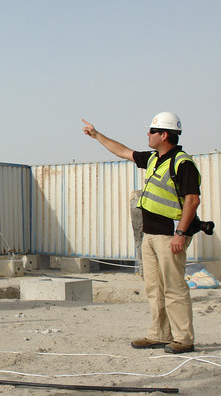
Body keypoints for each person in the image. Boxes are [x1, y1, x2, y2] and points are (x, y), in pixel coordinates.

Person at [81, 112, 201, 354]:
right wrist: (96, 136)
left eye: (152, 131)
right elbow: (123, 151)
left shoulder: (182, 163)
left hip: (170, 236)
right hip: (151, 235)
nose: (148, 134)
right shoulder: (156, 159)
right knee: (154, 288)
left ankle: (184, 338)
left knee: (174, 287)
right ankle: (160, 334)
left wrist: (180, 233)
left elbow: (192, 200)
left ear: (164, 135)